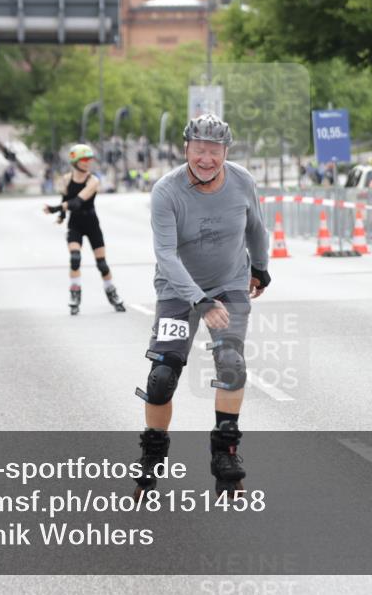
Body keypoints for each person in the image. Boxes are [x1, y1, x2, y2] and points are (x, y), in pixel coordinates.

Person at [133, 113, 271, 498]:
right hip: (178, 290)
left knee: (231, 363)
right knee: (162, 378)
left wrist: (260, 267)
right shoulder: (167, 191)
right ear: (185, 149)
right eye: (198, 150)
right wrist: (199, 300)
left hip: (229, 284)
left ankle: (225, 454)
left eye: (214, 151)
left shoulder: (242, 180)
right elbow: (165, 254)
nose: (206, 158)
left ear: (226, 152)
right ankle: (153, 454)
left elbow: (256, 228)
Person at [43, 144, 125, 315]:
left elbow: (77, 202)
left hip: (91, 223)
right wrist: (61, 217)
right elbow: (66, 199)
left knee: (102, 264)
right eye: (84, 159)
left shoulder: (93, 180)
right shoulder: (65, 179)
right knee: (75, 258)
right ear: (75, 161)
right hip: (75, 224)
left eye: (89, 159)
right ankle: (75, 294)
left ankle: (112, 292)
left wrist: (54, 209)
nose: (87, 163)